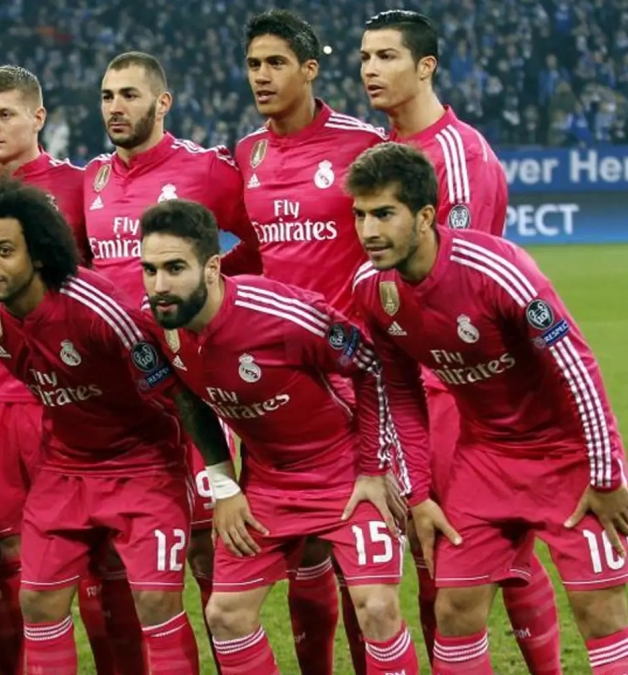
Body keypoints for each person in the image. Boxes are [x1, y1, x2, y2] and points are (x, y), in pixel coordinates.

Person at [348, 142, 628, 675]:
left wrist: (604, 475)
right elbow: (400, 390)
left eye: (384, 214)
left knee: (600, 613)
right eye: (360, 215)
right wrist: (418, 494)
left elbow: (577, 367)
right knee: (454, 610)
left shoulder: (497, 271)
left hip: (568, 456)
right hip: (484, 458)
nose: (369, 230)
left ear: (424, 216)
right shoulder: (373, 289)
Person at [0, 179, 232, 674]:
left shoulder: (98, 311)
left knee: (156, 604)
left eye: (3, 251)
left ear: (38, 253)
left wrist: (220, 480)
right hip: (65, 468)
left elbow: (180, 394)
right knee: (36, 602)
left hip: (142, 466)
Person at [138, 198, 420, 675]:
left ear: (211, 267)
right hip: (268, 480)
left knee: (376, 607)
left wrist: (374, 468)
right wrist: (225, 485)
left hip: (345, 469)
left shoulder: (283, 314)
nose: (159, 286)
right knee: (225, 615)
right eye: (149, 269)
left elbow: (373, 365)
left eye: (174, 268)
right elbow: (187, 397)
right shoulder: (155, 323)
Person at [359, 12, 558, 671]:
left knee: (495, 555)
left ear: (425, 67)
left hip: (457, 386)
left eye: (386, 55)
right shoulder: (382, 155)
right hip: (405, 378)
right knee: (429, 551)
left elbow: (469, 284)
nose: (368, 68)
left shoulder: (459, 157)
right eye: (364, 56)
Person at [85, 50, 259, 665]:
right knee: (118, 557)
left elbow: (251, 253)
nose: (115, 107)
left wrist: (204, 316)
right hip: (118, 402)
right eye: (107, 96)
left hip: (190, 394)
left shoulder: (207, 172)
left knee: (211, 548)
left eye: (129, 95)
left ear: (162, 103)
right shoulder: (93, 179)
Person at [235, 10, 387, 673]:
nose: (261, 76)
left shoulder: (362, 145)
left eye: (274, 63)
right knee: (299, 549)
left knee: (361, 558)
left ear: (310, 69)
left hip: (351, 377)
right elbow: (241, 252)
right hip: (271, 385)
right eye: (253, 64)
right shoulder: (248, 153)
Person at [0, 65, 114, 674]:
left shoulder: (77, 186)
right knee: (0, 552)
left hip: (61, 397)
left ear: (38, 117)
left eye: (5, 114)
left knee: (93, 551)